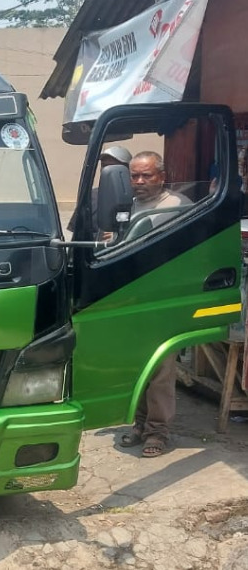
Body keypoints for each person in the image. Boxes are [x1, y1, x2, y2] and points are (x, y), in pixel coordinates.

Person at [119, 151, 191, 458]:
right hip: (130, 297)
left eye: (146, 175)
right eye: (134, 175)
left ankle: (159, 432)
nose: (139, 181)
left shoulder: (177, 207)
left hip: (162, 299)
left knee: (161, 368)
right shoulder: (127, 207)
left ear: (161, 176)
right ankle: (140, 424)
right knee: (137, 366)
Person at [67, 145, 133, 237]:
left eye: (114, 167)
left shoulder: (136, 197)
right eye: (104, 166)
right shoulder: (91, 196)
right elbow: (78, 234)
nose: (108, 170)